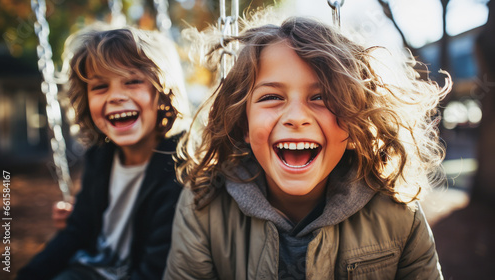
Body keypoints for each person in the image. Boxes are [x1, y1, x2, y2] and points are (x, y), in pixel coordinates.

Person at [164, 14, 451, 280]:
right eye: (271, 97)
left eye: (321, 98)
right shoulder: (203, 208)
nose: (296, 117)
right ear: (243, 126)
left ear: (354, 126)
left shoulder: (397, 214)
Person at [18, 23, 190, 280]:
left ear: (162, 94)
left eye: (132, 82)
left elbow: (158, 266)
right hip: (88, 269)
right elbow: (77, 231)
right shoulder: (100, 156)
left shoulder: (179, 169)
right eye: (100, 87)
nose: (116, 96)